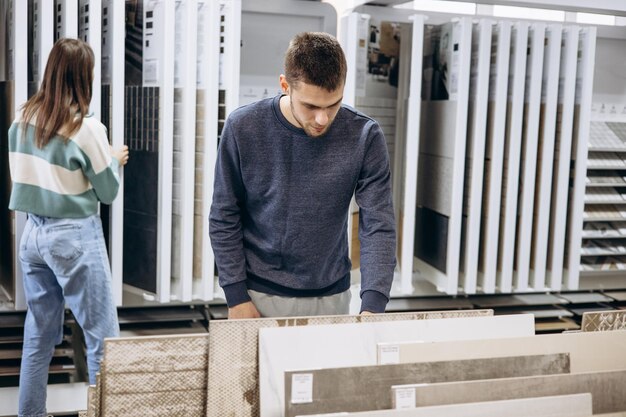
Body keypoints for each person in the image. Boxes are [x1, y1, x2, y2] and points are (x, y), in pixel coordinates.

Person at [209, 32, 396, 319]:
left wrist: (373, 305)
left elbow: (378, 224)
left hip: (333, 294)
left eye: (333, 104)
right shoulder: (242, 127)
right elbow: (224, 215)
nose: (323, 119)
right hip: (256, 296)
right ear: (285, 86)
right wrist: (236, 296)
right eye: (311, 106)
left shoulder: (364, 136)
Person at [8, 38, 128, 417]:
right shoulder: (87, 129)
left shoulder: (22, 117)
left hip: (33, 237)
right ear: (85, 77)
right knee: (102, 340)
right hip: (74, 236)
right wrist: (113, 160)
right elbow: (107, 192)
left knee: (38, 338)